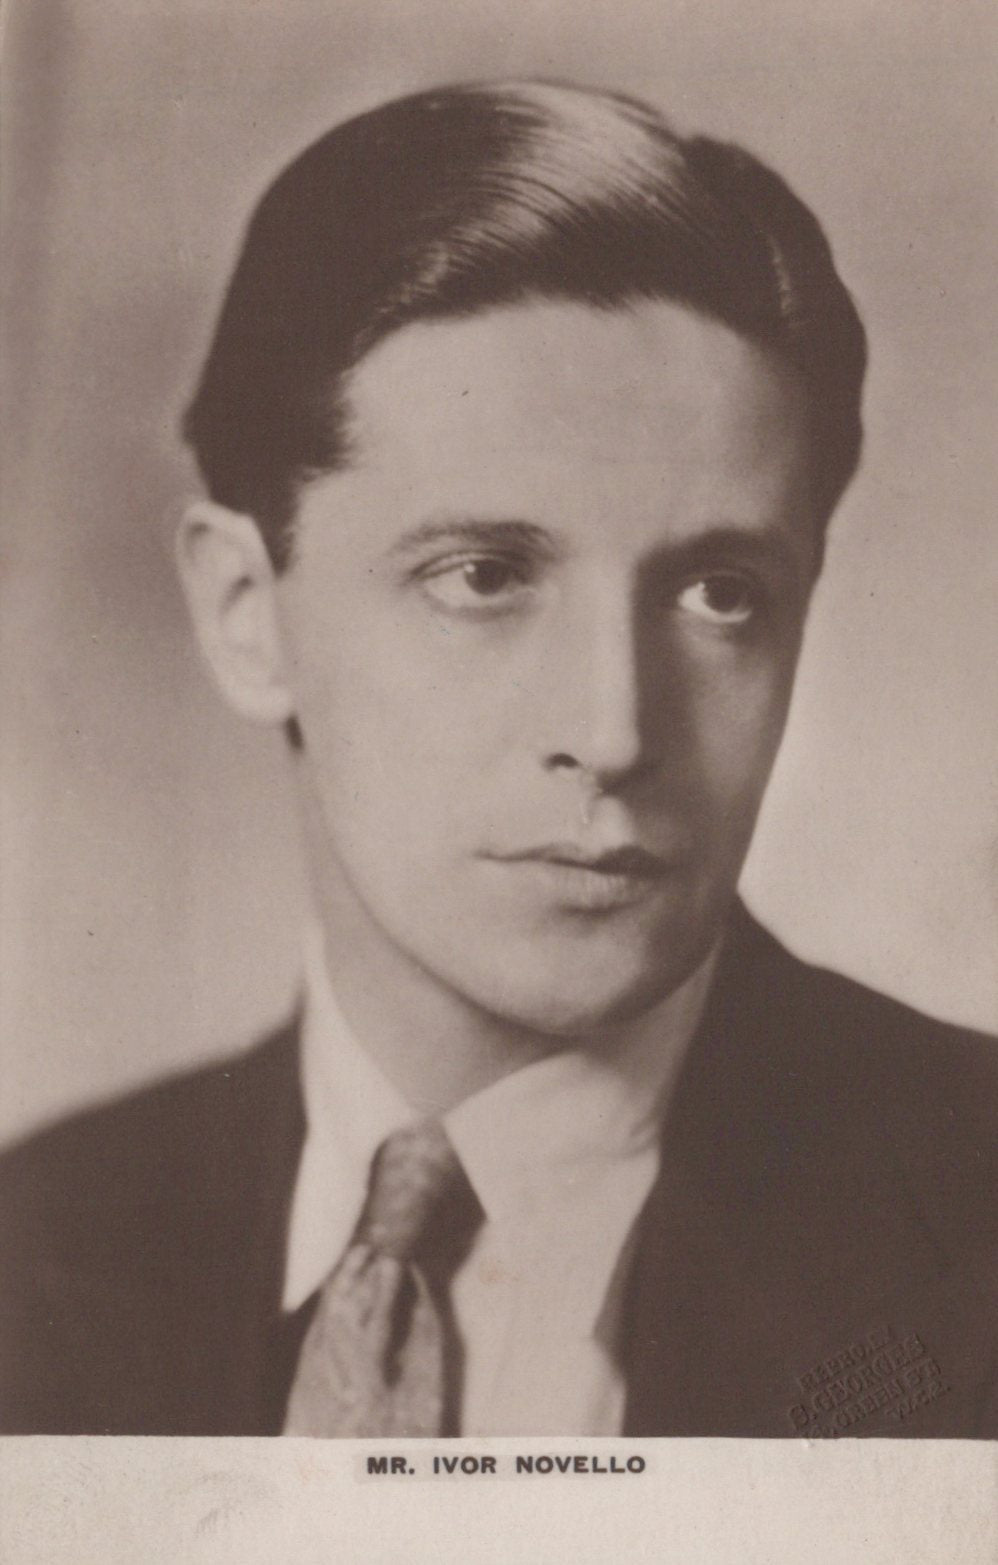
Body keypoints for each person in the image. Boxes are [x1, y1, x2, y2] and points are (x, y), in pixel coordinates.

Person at [1, 79, 995, 1439]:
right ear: (246, 613)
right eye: (482, 575)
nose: (615, 730)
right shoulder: (36, 1246)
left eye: (721, 594)